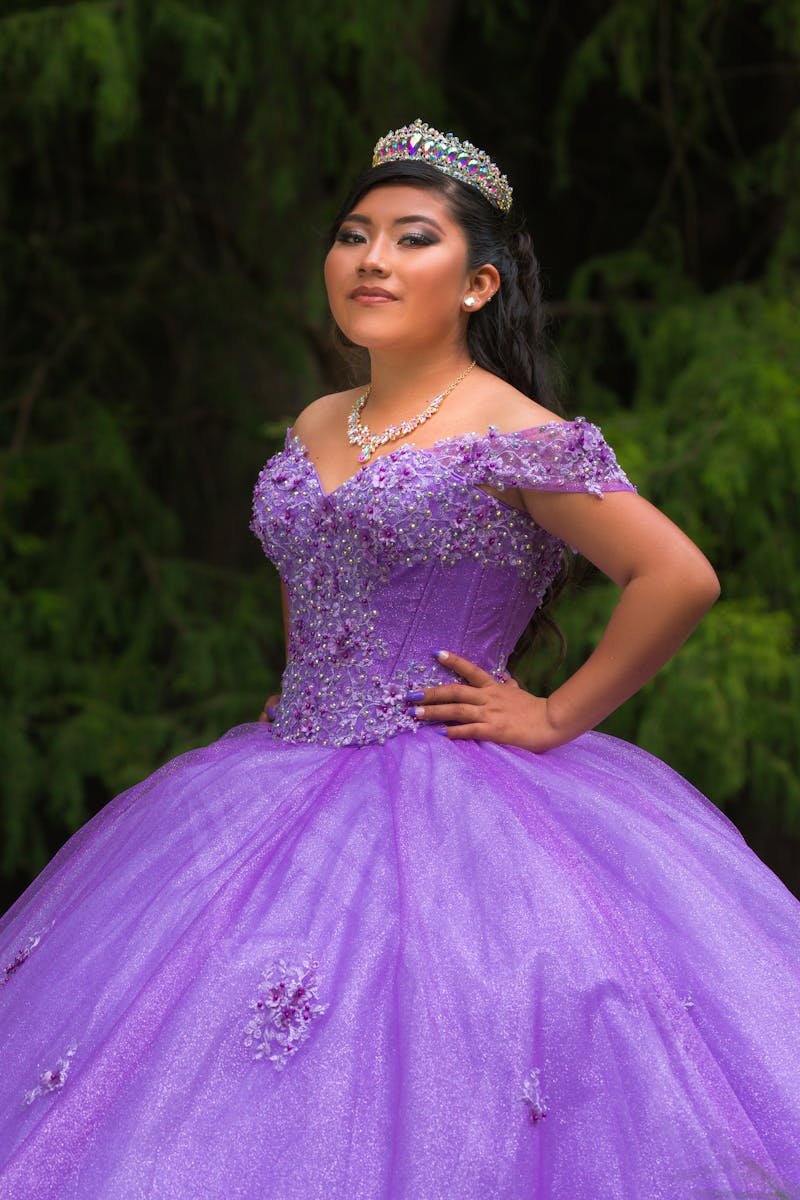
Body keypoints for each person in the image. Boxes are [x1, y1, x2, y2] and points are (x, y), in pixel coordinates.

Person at [1, 118, 798, 1200]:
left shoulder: (511, 430)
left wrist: (555, 716)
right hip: (278, 778)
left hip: (453, 803)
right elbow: (308, 567)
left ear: (475, 285)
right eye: (352, 234)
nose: (371, 258)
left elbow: (677, 577)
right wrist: (305, 680)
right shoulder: (318, 417)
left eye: (409, 238)